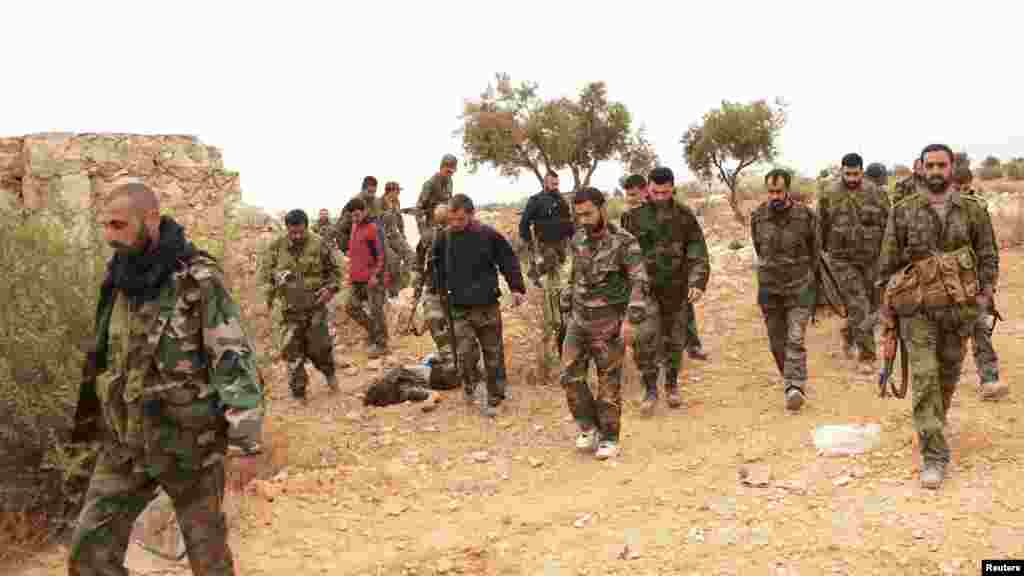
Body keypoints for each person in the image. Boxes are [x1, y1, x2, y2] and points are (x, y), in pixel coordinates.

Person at [69, 182, 264, 575]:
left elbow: (233, 358)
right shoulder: (120, 278)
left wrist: (246, 443)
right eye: (105, 225)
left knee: (208, 561)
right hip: (127, 442)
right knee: (89, 554)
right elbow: (107, 358)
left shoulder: (197, 280)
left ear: (152, 220)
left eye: (119, 225)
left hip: (190, 446)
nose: (110, 236)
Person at [877, 143, 999, 489]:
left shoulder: (973, 209)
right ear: (921, 169)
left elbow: (988, 254)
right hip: (917, 313)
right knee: (925, 378)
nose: (935, 171)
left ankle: (933, 423)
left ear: (951, 168)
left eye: (941, 165)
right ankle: (934, 455)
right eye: (929, 165)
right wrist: (887, 312)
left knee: (947, 375)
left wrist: (984, 294)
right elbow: (886, 265)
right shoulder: (902, 211)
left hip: (959, 312)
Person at [559, 187, 652, 459]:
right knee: (569, 376)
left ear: (602, 208)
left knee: (608, 383)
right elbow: (574, 276)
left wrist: (631, 321)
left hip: (609, 323)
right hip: (578, 320)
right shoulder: (577, 240)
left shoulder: (624, 242)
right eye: (579, 215)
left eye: (588, 213)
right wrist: (566, 303)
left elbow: (639, 281)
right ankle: (589, 427)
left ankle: (610, 437)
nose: (584, 219)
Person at [622, 166, 710, 414]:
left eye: (665, 192)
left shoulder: (684, 215)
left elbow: (697, 250)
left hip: (676, 289)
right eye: (656, 192)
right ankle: (650, 389)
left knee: (674, 340)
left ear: (673, 188)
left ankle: (671, 385)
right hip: (645, 290)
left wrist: (697, 281)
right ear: (648, 188)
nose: (660, 197)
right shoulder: (633, 217)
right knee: (645, 341)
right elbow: (624, 255)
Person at [432, 194, 527, 417]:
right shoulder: (444, 238)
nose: (455, 224)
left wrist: (516, 288)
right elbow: (436, 268)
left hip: (486, 305)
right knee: (464, 353)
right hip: (458, 308)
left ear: (471, 215)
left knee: (493, 353)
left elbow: (508, 260)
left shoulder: (487, 234)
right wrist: (437, 292)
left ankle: (496, 396)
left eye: (460, 219)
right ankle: (469, 386)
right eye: (451, 219)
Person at [751, 169, 820, 410]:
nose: (775, 196)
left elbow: (815, 252)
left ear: (787, 190)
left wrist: (815, 288)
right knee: (776, 342)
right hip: (770, 290)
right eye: (770, 191)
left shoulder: (805, 216)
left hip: (799, 288)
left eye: (779, 191)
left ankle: (795, 386)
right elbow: (759, 249)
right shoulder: (758, 216)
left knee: (795, 338)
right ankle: (788, 377)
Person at [817, 152, 890, 372]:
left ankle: (849, 332)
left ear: (862, 171)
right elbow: (820, 225)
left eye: (855, 174)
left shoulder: (875, 193)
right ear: (841, 171)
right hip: (842, 260)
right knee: (859, 304)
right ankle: (867, 357)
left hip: (870, 259)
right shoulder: (828, 193)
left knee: (872, 305)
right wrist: (819, 256)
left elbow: (890, 225)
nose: (851, 178)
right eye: (847, 174)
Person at [262, 208, 342, 400]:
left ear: (306, 227)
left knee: (320, 348)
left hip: (315, 308)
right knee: (292, 352)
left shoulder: (320, 244)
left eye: (300, 231)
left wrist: (330, 289)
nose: (297, 236)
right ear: (287, 229)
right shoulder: (276, 247)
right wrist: (274, 281)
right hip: (289, 310)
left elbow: (335, 272)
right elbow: (264, 278)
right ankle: (299, 393)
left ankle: (330, 375)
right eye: (292, 232)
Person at [952, 166, 1008, 401]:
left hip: (973, 281)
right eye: (958, 188)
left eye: (967, 188)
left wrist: (988, 283)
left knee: (980, 330)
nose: (963, 193)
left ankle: (989, 379)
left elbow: (989, 249)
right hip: (943, 283)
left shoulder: (978, 208)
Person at [343, 197, 390, 358]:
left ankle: (382, 344)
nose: (354, 218)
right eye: (352, 216)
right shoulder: (355, 226)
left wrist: (376, 275)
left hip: (372, 278)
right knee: (350, 306)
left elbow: (382, 255)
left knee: (376, 310)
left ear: (364, 211)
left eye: (357, 215)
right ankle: (373, 332)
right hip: (357, 278)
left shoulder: (374, 227)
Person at [519, 170, 574, 288]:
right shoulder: (536, 200)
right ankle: (553, 290)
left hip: (561, 240)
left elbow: (567, 219)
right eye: (553, 184)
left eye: (557, 184)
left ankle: (534, 273)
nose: (556, 187)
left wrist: (572, 236)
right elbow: (524, 222)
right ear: (545, 184)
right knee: (552, 262)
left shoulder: (561, 200)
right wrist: (528, 241)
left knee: (561, 260)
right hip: (545, 241)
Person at [380, 181, 415, 298]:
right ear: (391, 191)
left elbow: (399, 219)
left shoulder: (396, 202)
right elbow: (376, 222)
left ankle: (402, 285)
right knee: (393, 261)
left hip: (395, 235)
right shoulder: (379, 203)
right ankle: (392, 290)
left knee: (410, 255)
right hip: (383, 237)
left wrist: (403, 233)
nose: (399, 193)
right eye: (397, 191)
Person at [416, 154, 458, 247]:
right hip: (432, 224)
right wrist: (423, 231)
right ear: (441, 167)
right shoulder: (429, 184)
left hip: (446, 223)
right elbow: (418, 210)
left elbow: (449, 202)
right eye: (448, 171)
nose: (450, 174)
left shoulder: (450, 182)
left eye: (452, 172)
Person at [334, 176, 383, 254]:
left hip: (371, 235)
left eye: (374, 192)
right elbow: (342, 228)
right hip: (352, 235)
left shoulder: (377, 202)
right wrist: (346, 249)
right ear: (363, 190)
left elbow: (379, 222)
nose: (372, 195)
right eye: (369, 192)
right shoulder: (354, 202)